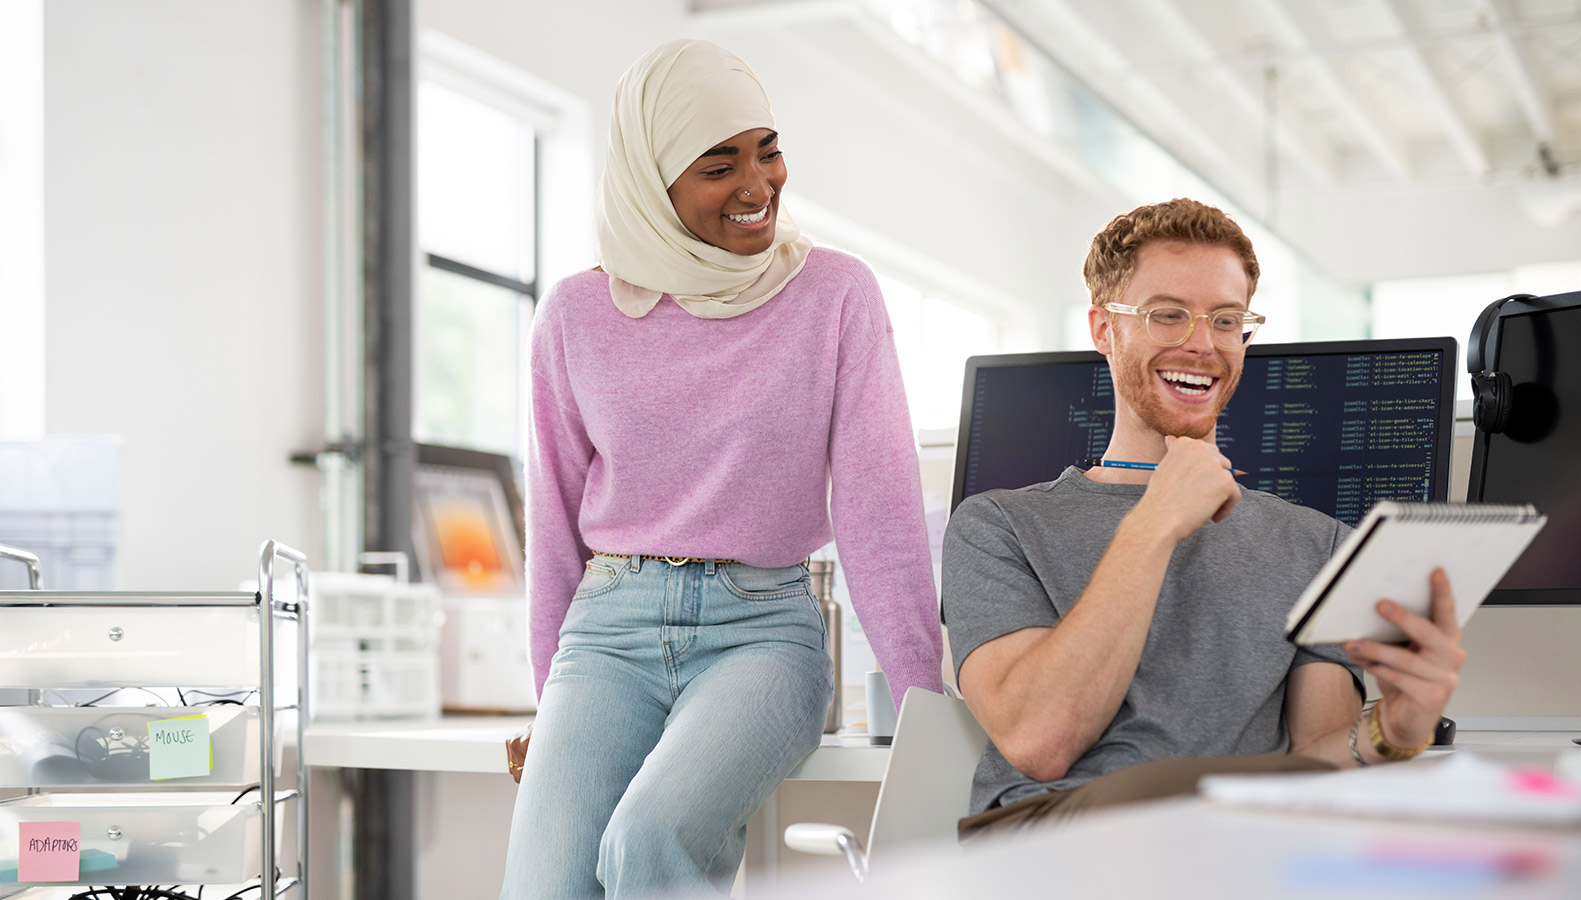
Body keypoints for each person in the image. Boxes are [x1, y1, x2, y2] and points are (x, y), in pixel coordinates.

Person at [498, 39, 943, 898]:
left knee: (648, 839)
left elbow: (879, 518)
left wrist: (928, 721)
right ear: (650, 182)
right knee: (545, 887)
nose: (758, 184)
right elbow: (552, 525)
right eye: (718, 164)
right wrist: (548, 702)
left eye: (767, 149)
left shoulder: (836, 296)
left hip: (762, 633)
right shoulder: (576, 316)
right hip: (607, 631)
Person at [942, 198, 1467, 837]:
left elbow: (1315, 767)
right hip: (1056, 844)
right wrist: (1154, 520)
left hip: (1235, 842)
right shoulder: (998, 525)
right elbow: (1040, 740)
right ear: (1105, 328)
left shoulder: (1320, 544)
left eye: (1225, 319)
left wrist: (1394, 730)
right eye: (1168, 315)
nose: (1202, 345)